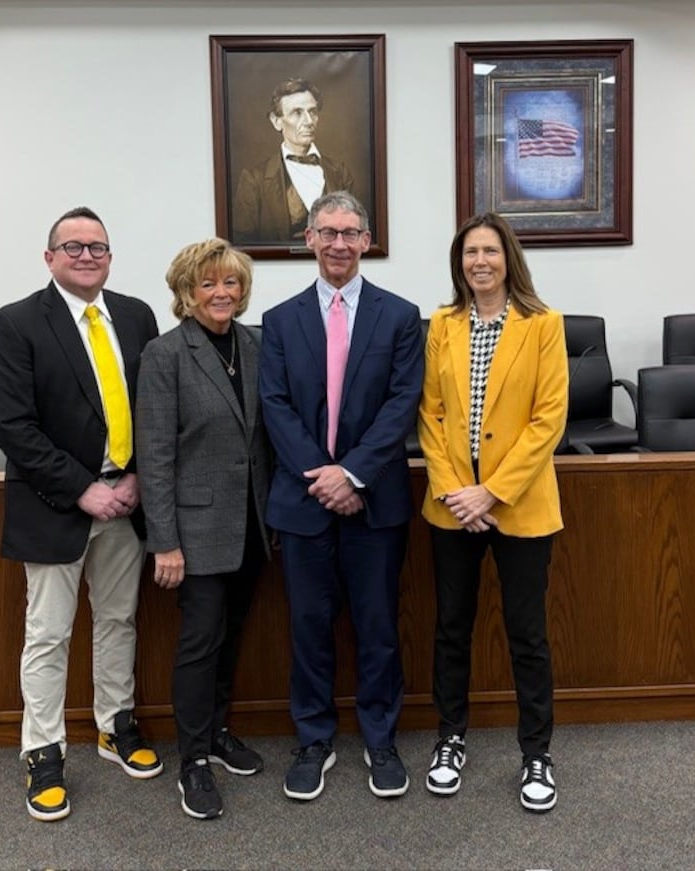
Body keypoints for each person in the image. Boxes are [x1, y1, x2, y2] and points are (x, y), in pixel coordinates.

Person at [0, 206, 163, 823]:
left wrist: (137, 474)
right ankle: (43, 751)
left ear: (110, 257)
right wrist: (83, 488)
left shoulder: (137, 316)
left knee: (118, 620)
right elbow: (13, 426)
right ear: (49, 257)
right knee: (48, 633)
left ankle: (115, 726)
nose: (87, 256)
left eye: (97, 247)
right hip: (55, 503)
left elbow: (154, 406)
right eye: (73, 247)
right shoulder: (15, 323)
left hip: (126, 501)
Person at [259, 191, 424, 801]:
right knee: (308, 625)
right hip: (304, 501)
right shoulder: (279, 320)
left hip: (374, 500)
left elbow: (402, 403)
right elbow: (275, 406)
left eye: (350, 233)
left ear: (366, 241)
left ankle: (380, 738)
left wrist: (351, 474)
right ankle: (313, 739)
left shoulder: (400, 316)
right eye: (327, 232)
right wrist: (325, 478)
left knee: (378, 625)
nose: (338, 243)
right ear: (309, 239)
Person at [418, 211, 568, 813]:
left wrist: (492, 492)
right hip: (452, 505)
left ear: (509, 259)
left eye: (490, 251)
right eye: (469, 252)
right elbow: (430, 415)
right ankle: (450, 739)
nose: (479, 261)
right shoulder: (443, 324)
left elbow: (548, 420)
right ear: (459, 262)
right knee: (452, 628)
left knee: (526, 634)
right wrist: (457, 489)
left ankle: (536, 753)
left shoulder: (543, 324)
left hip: (519, 505)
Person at [135, 238, 272, 820]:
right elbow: (154, 456)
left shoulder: (255, 345)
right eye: (208, 283)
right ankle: (192, 759)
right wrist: (164, 542)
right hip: (194, 531)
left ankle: (217, 732)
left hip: (251, 526)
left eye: (230, 282)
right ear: (186, 293)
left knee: (232, 634)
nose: (221, 293)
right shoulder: (164, 355)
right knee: (199, 643)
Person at [232, 77, 355, 244]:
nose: (309, 121)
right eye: (297, 113)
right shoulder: (254, 180)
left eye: (312, 112)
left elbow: (352, 234)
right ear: (277, 121)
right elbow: (243, 245)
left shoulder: (340, 173)